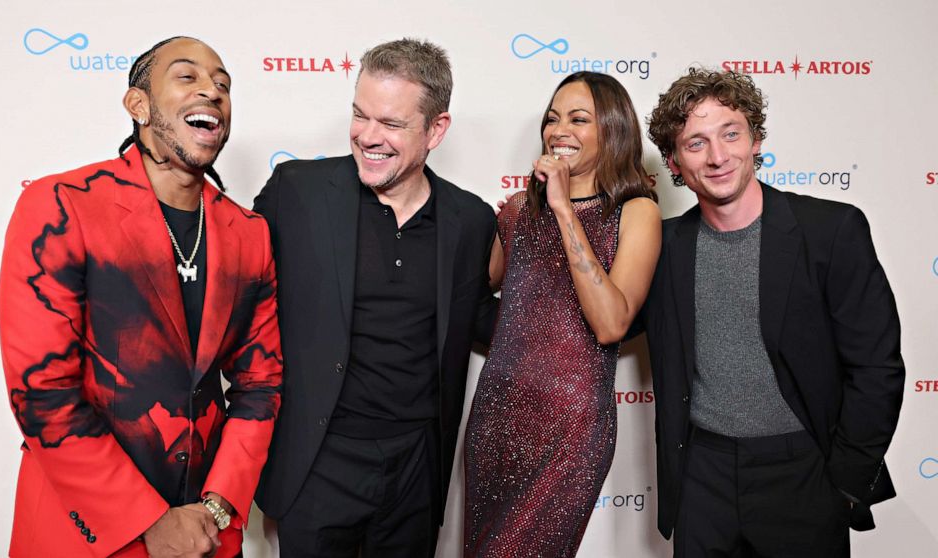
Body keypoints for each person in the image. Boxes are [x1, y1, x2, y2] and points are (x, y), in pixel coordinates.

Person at [0, 36, 283, 558]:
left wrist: (217, 507)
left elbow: (260, 383)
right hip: (85, 530)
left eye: (223, 84)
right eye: (187, 76)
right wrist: (147, 521)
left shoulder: (249, 233)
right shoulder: (62, 206)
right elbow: (42, 391)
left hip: (206, 532)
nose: (212, 91)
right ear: (139, 105)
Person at [640, 68, 904, 557]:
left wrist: (844, 485)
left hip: (803, 473)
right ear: (674, 161)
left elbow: (877, 369)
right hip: (703, 477)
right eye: (695, 143)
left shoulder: (831, 231)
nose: (718, 156)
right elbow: (606, 320)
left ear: (756, 139)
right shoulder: (664, 246)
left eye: (730, 134)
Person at [252, 38, 498, 557]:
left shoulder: (470, 219)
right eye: (360, 115)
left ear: (436, 129)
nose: (368, 136)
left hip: (415, 471)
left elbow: (482, 319)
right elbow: (233, 287)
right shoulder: (297, 191)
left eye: (390, 124)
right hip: (318, 462)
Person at [463, 71, 661, 557]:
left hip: (570, 429)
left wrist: (563, 208)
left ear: (612, 129)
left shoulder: (636, 211)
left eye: (578, 119)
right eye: (552, 119)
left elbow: (612, 323)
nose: (559, 130)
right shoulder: (516, 212)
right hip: (497, 417)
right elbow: (477, 292)